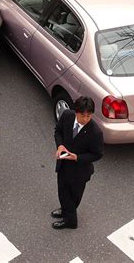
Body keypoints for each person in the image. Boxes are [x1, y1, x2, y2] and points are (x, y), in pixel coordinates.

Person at [51, 96, 103, 229]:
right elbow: (58, 131)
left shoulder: (95, 132)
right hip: (63, 165)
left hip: (80, 171)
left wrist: (77, 157)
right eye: (82, 115)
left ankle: (70, 221)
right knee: (62, 191)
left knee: (73, 197)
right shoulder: (67, 116)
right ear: (76, 112)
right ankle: (65, 210)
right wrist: (60, 146)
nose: (85, 119)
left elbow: (97, 154)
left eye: (89, 116)